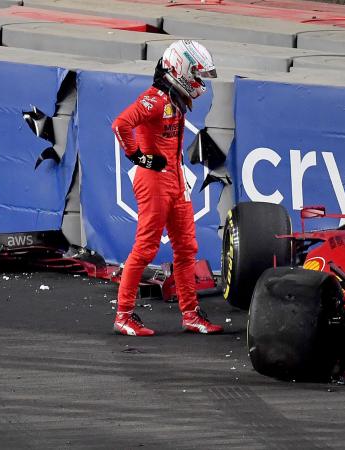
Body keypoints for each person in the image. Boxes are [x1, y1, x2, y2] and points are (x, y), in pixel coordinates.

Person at [111, 40, 222, 336]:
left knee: (187, 249)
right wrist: (137, 156)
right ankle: (123, 315)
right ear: (181, 70)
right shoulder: (155, 99)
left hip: (176, 180)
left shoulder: (173, 98)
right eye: (197, 75)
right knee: (146, 248)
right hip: (154, 181)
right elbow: (121, 124)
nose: (199, 83)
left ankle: (190, 314)